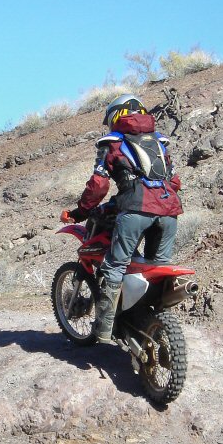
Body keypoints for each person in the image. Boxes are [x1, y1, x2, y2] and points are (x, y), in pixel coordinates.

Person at [61, 94, 183, 343]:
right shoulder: (159, 141)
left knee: (116, 267)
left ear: (116, 115)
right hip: (169, 213)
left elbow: (98, 185)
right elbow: (174, 182)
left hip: (135, 213)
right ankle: (152, 322)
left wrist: (80, 212)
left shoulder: (113, 142)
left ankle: (103, 330)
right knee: (155, 269)